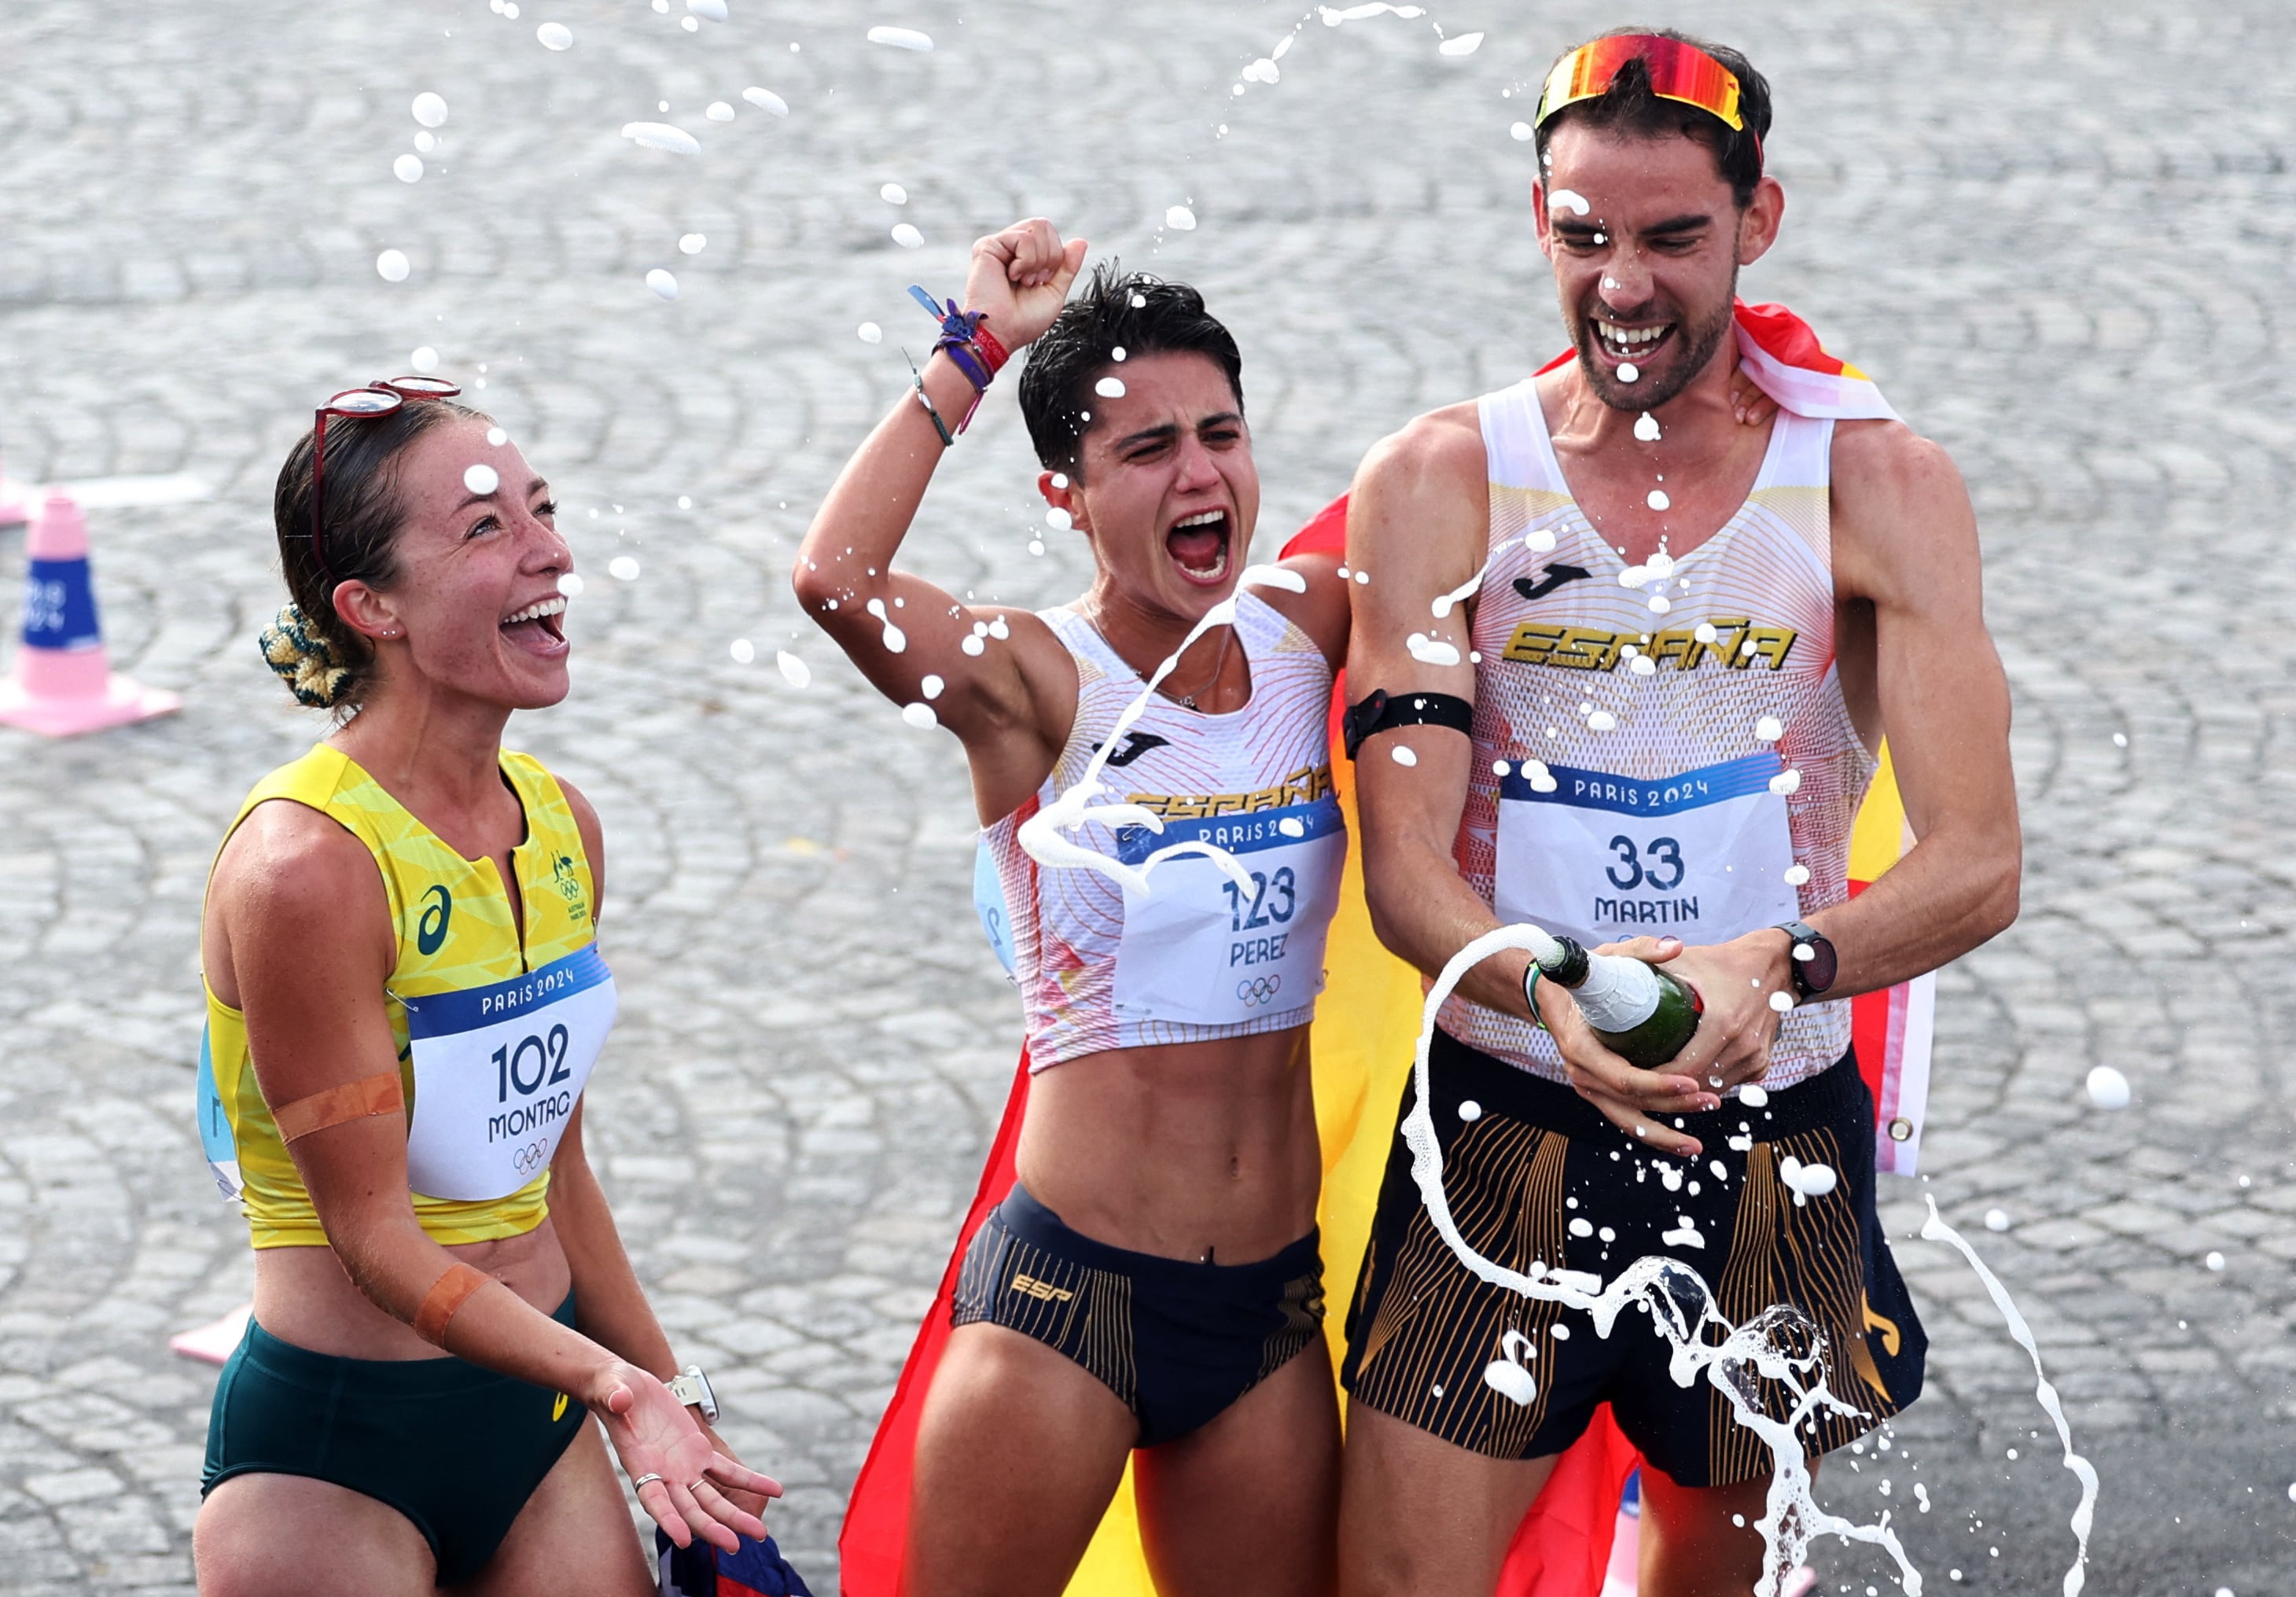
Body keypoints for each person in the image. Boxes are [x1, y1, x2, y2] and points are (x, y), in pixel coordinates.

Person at [1334, 29, 2021, 1596]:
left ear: (1754, 223)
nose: (1621, 283)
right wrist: (1555, 991)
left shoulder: (1872, 485)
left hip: (1769, 1127)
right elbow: (1405, 882)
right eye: (1583, 236)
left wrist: (1766, 966)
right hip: (1501, 1111)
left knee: (1712, 1581)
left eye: (1667, 238)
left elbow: (1977, 861)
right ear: (1536, 223)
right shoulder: (1445, 479)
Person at [795, 221, 1354, 1597]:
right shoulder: (1037, 680)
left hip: (1270, 1310)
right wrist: (973, 350)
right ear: (1066, 495)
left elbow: (1497, 537)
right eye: (1146, 452)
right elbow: (836, 582)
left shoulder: (1316, 624)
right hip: (1070, 1306)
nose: (1199, 471)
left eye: (1219, 433)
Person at [193, 378, 780, 1595]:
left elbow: (553, 1172)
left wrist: (679, 1404)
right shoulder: (306, 868)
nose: (551, 551)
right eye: (486, 529)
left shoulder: (564, 827)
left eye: (543, 510)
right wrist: (617, 1390)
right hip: (336, 1454)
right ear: (372, 607)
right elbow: (374, 1240)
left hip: (534, 1422)